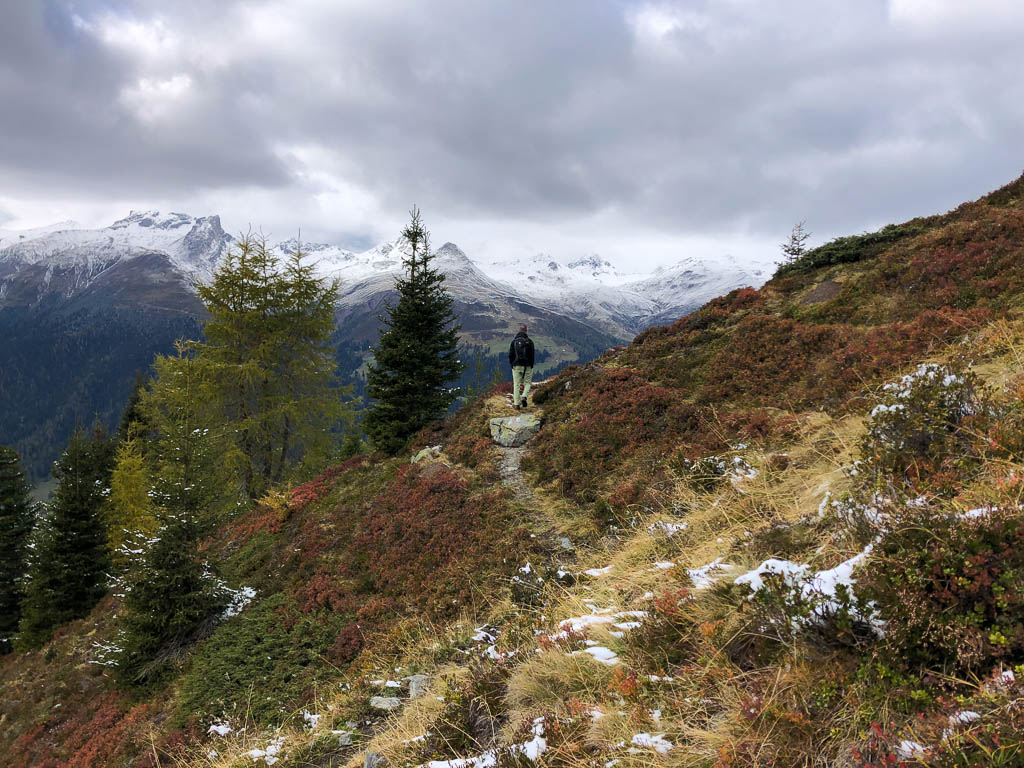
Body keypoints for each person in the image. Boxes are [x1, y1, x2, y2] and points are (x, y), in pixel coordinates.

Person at [509, 325, 535, 409]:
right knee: (527, 383)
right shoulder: (530, 342)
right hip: (527, 366)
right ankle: (524, 396)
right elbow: (532, 355)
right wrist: (531, 365)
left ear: (519, 331)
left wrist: (512, 364)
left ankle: (517, 404)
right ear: (526, 331)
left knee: (516, 384)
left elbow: (510, 355)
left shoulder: (514, 342)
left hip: (516, 365)